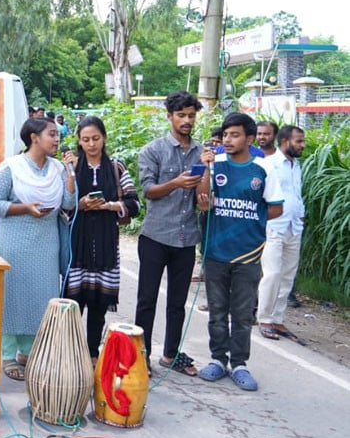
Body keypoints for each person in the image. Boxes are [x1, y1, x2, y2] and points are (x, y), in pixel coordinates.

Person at [196, 112, 283, 391]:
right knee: (217, 311)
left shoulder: (264, 168)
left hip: (248, 252)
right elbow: (203, 202)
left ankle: (240, 363)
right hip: (216, 250)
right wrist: (206, 168)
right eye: (225, 135)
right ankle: (217, 360)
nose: (228, 140)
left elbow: (276, 207)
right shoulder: (216, 163)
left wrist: (250, 220)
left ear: (249, 138)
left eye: (234, 135)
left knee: (242, 312)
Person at [0, 118, 76, 381]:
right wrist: (25, 208)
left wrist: (71, 173)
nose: (57, 139)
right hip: (14, 242)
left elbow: (68, 203)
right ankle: (6, 355)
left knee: (40, 298)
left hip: (47, 243)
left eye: (58, 135)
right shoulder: (10, 168)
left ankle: (28, 352)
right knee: (12, 296)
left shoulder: (59, 168)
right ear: (34, 137)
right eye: (52, 134)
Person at [134, 90, 207, 378]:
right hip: (155, 235)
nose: (187, 121)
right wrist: (176, 182)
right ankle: (142, 356)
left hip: (187, 237)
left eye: (191, 116)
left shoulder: (202, 152)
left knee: (178, 302)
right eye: (181, 115)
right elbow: (149, 191)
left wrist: (208, 172)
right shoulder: (153, 150)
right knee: (146, 300)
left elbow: (205, 198)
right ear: (170, 117)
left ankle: (170, 353)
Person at [65, 116, 140, 362]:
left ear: (104, 138)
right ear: (78, 141)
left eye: (95, 138)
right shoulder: (72, 169)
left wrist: (110, 206)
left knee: (98, 306)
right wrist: (81, 204)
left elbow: (134, 203)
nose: (91, 144)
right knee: (73, 304)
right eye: (85, 139)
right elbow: (62, 207)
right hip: (77, 245)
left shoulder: (116, 168)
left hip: (107, 245)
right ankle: (72, 354)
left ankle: (92, 353)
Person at [257, 125, 306, 343]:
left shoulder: (296, 165)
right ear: (285, 141)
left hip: (294, 226)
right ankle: (265, 319)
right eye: (299, 141)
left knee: (287, 275)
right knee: (273, 274)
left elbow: (295, 193)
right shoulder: (269, 164)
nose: (302, 145)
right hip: (274, 226)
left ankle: (277, 318)